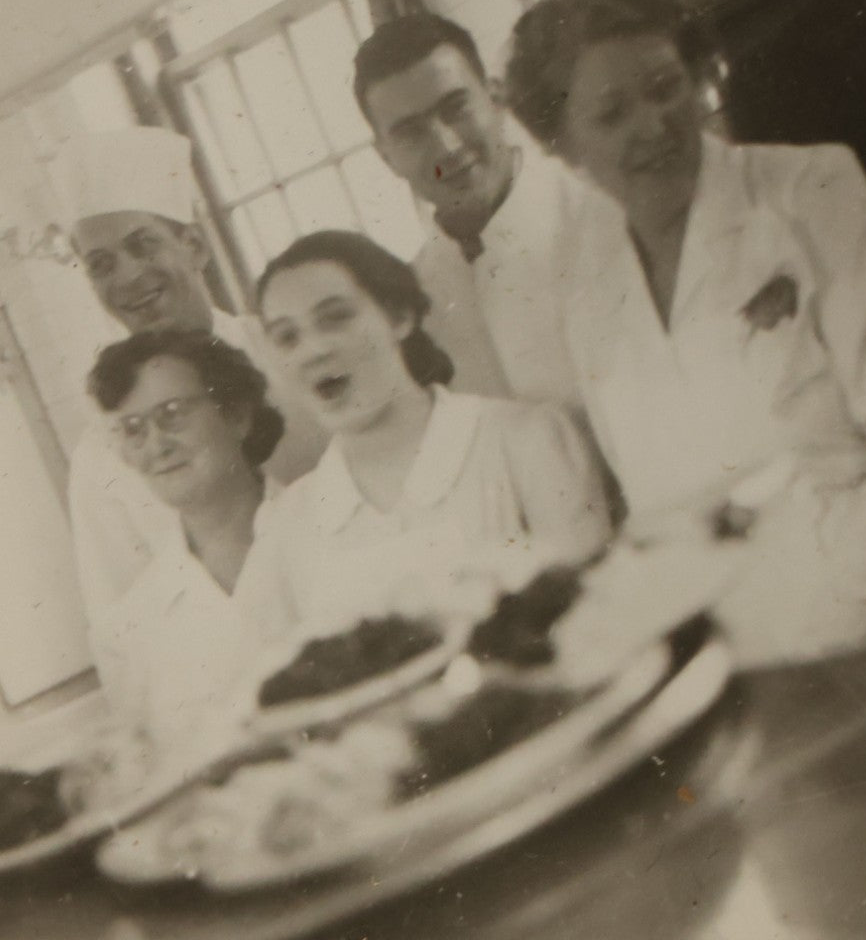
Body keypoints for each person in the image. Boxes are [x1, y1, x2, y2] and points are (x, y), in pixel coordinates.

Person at [505, 0, 866, 662]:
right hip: (745, 659)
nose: (654, 125)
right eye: (612, 113)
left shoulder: (810, 191)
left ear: (700, 76)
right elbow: (658, 509)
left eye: (664, 85)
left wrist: (833, 633)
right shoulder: (586, 288)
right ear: (565, 147)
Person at [250, 230, 612, 632]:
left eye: (335, 318)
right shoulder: (289, 522)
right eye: (287, 337)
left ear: (399, 317)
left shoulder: (524, 440)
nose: (313, 350)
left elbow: (598, 622)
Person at [54, 126, 326, 626]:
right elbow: (122, 635)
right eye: (101, 264)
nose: (129, 277)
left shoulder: (292, 355)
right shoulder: (102, 453)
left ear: (194, 245)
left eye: (143, 245)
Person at [353, 12, 614, 404]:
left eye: (455, 108)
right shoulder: (412, 304)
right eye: (410, 133)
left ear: (495, 97)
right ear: (385, 157)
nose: (447, 147)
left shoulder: (605, 216)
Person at [85, 329, 283, 758]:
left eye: (172, 413)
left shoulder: (337, 526)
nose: (157, 444)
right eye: (133, 429)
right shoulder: (128, 631)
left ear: (237, 416)